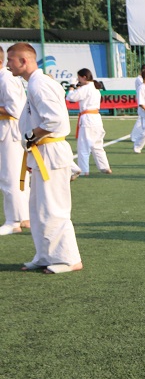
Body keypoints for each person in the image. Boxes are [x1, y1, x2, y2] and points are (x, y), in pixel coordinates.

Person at [7, 43, 82, 274]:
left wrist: (30, 137)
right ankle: (45, 255)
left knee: (54, 208)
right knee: (38, 210)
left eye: (10, 59)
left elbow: (54, 120)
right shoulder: (35, 83)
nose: (8, 64)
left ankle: (69, 259)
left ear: (24, 61)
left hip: (50, 151)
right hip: (41, 152)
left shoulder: (40, 84)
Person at [0, 46, 29, 235]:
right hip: (9, 131)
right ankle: (23, 217)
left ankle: (14, 221)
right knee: (17, 176)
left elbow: (15, 109)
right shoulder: (5, 78)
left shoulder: (5, 79)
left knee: (9, 177)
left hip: (9, 132)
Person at [65, 69, 111, 176]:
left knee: (83, 145)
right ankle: (105, 166)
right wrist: (78, 87)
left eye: (79, 78)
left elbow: (70, 98)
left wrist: (71, 86)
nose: (78, 80)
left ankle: (84, 170)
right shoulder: (95, 88)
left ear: (84, 77)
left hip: (87, 118)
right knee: (97, 144)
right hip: (96, 118)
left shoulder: (86, 88)